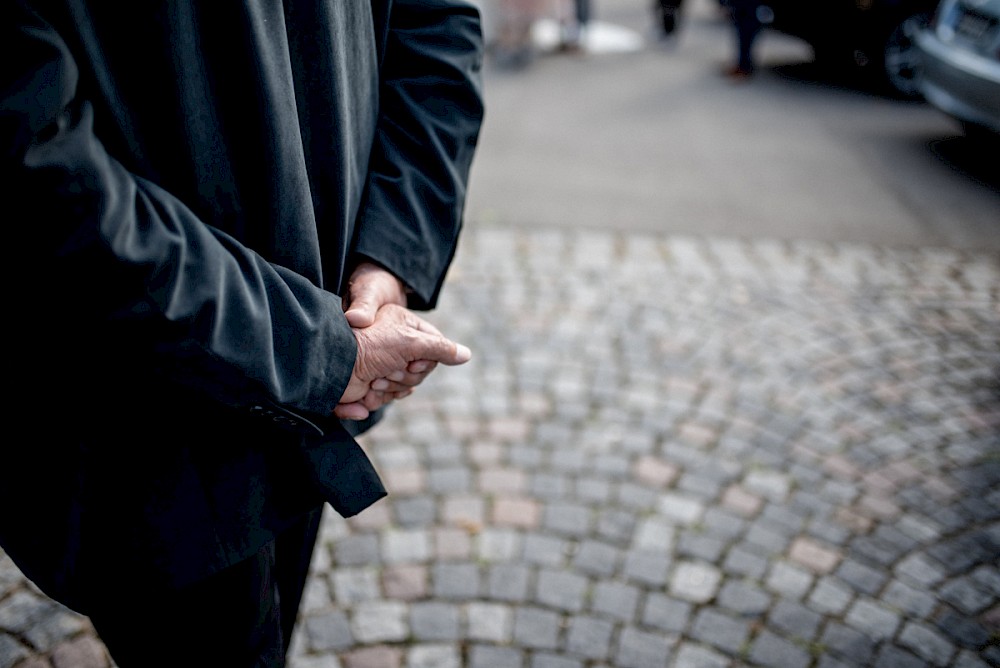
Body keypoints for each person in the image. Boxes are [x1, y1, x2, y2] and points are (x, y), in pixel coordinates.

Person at [0, 1, 484, 665]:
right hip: (139, 422)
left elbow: (436, 20)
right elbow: (33, 165)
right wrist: (318, 350)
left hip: (319, 378)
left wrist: (388, 255)